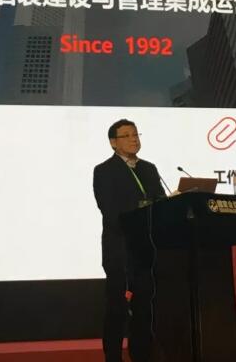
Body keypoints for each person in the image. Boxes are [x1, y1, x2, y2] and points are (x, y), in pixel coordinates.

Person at [93, 119, 165, 362]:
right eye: (127, 135)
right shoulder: (104, 171)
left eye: (136, 134)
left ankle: (141, 354)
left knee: (144, 308)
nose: (134, 139)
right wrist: (142, 209)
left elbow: (160, 202)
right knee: (117, 308)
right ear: (113, 143)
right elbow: (110, 211)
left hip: (146, 250)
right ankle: (113, 357)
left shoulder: (149, 169)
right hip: (120, 250)